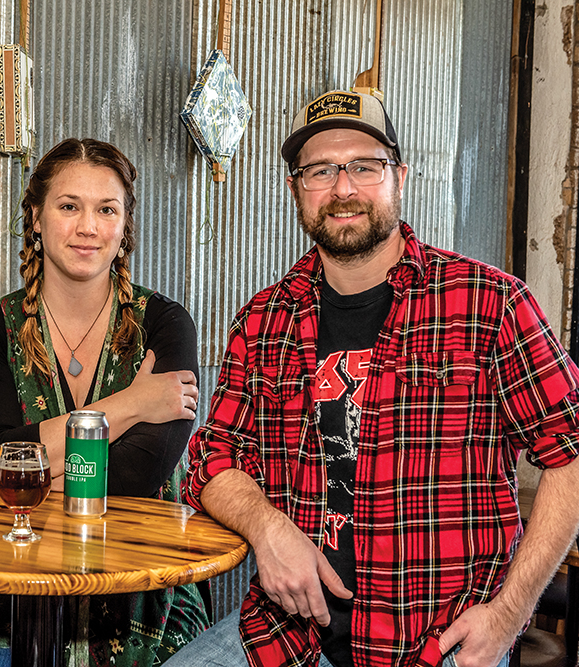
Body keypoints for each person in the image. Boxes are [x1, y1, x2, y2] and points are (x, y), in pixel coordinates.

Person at [166, 90, 579, 667]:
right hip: (284, 639)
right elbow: (214, 460)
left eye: (364, 165)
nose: (343, 187)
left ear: (399, 178)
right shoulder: (263, 321)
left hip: (440, 645)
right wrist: (267, 527)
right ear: (295, 189)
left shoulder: (490, 303)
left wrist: (508, 616)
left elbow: (570, 453)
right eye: (320, 170)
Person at [0, 138, 208, 666]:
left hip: (144, 596)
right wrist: (132, 402)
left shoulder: (165, 323)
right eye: (68, 206)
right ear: (35, 217)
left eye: (106, 209)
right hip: (0, 593)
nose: (88, 227)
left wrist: (34, 465)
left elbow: (137, 478)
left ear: (125, 225)